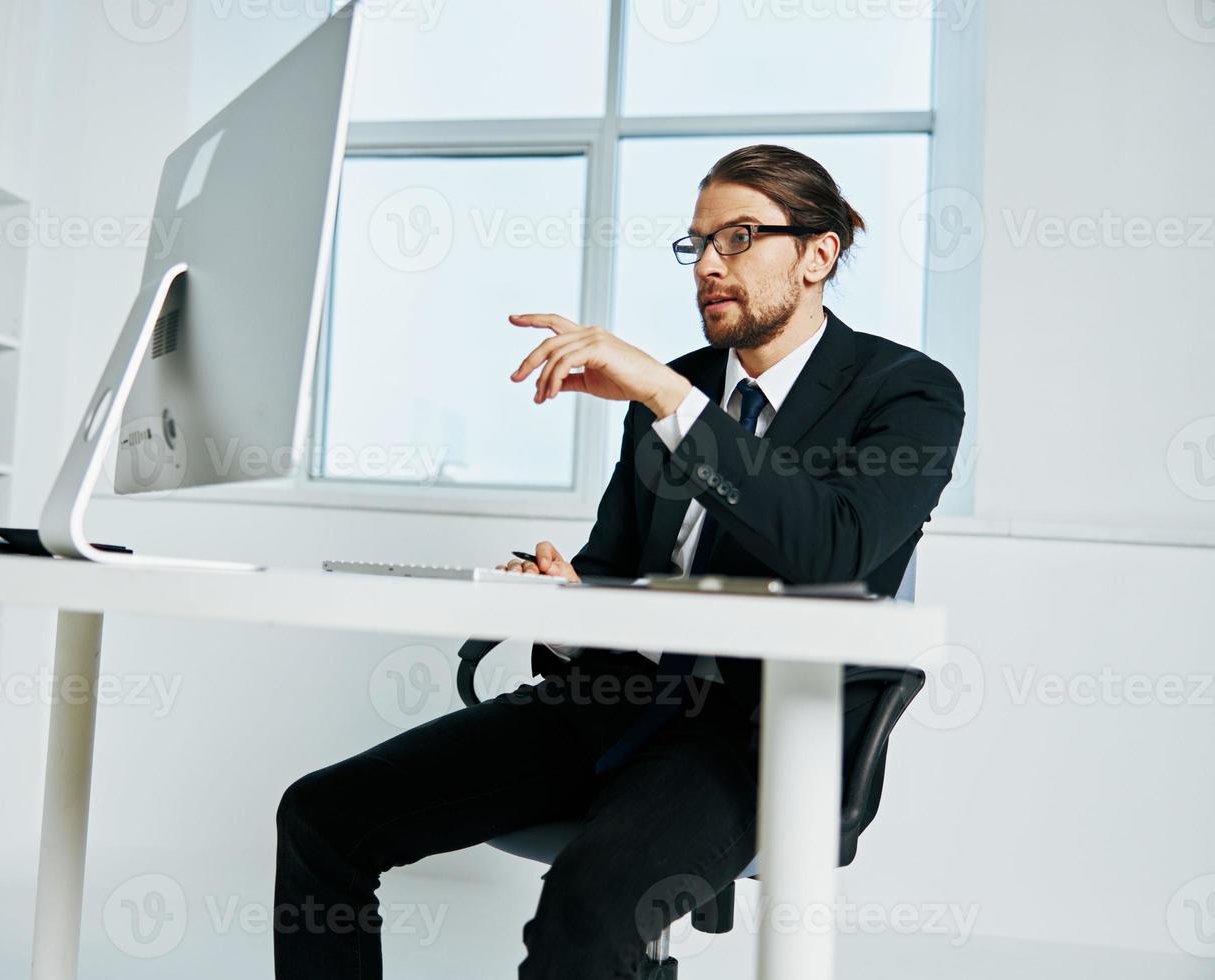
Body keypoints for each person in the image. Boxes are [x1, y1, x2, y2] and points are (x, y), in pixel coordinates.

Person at [274, 143, 966, 978]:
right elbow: (611, 570)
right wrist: (561, 599)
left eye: (739, 237)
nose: (709, 265)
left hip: (753, 733)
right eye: (699, 243)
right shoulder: (669, 391)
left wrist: (673, 400)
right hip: (612, 700)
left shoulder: (907, 393)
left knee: (589, 907)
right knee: (322, 815)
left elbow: (833, 549)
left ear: (819, 254)